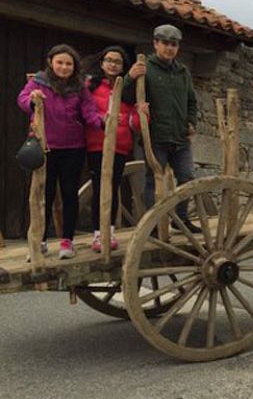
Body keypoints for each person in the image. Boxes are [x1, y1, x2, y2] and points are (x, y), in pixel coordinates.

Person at [17, 44, 104, 259]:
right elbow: (22, 100)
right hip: (46, 147)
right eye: (60, 62)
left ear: (74, 67)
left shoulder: (79, 88)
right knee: (42, 195)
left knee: (69, 194)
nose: (64, 67)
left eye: (68, 63)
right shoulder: (38, 82)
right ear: (51, 62)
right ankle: (40, 241)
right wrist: (33, 100)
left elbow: (89, 112)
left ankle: (67, 241)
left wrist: (102, 122)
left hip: (73, 148)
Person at [123, 24, 200, 233]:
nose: (169, 48)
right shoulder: (145, 68)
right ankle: (153, 225)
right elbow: (126, 97)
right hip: (156, 136)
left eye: (173, 44)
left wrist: (191, 122)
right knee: (153, 181)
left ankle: (181, 218)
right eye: (165, 43)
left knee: (187, 177)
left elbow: (192, 101)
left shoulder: (183, 72)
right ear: (155, 44)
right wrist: (130, 77)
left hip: (180, 137)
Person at [85, 46, 148, 252]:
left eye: (117, 62)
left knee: (112, 188)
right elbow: (85, 112)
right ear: (102, 63)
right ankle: (98, 235)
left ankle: (109, 232)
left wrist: (141, 113)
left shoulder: (128, 91)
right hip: (97, 144)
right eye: (109, 60)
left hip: (120, 146)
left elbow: (134, 125)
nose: (112, 64)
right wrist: (105, 120)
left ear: (123, 67)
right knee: (100, 188)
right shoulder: (90, 86)